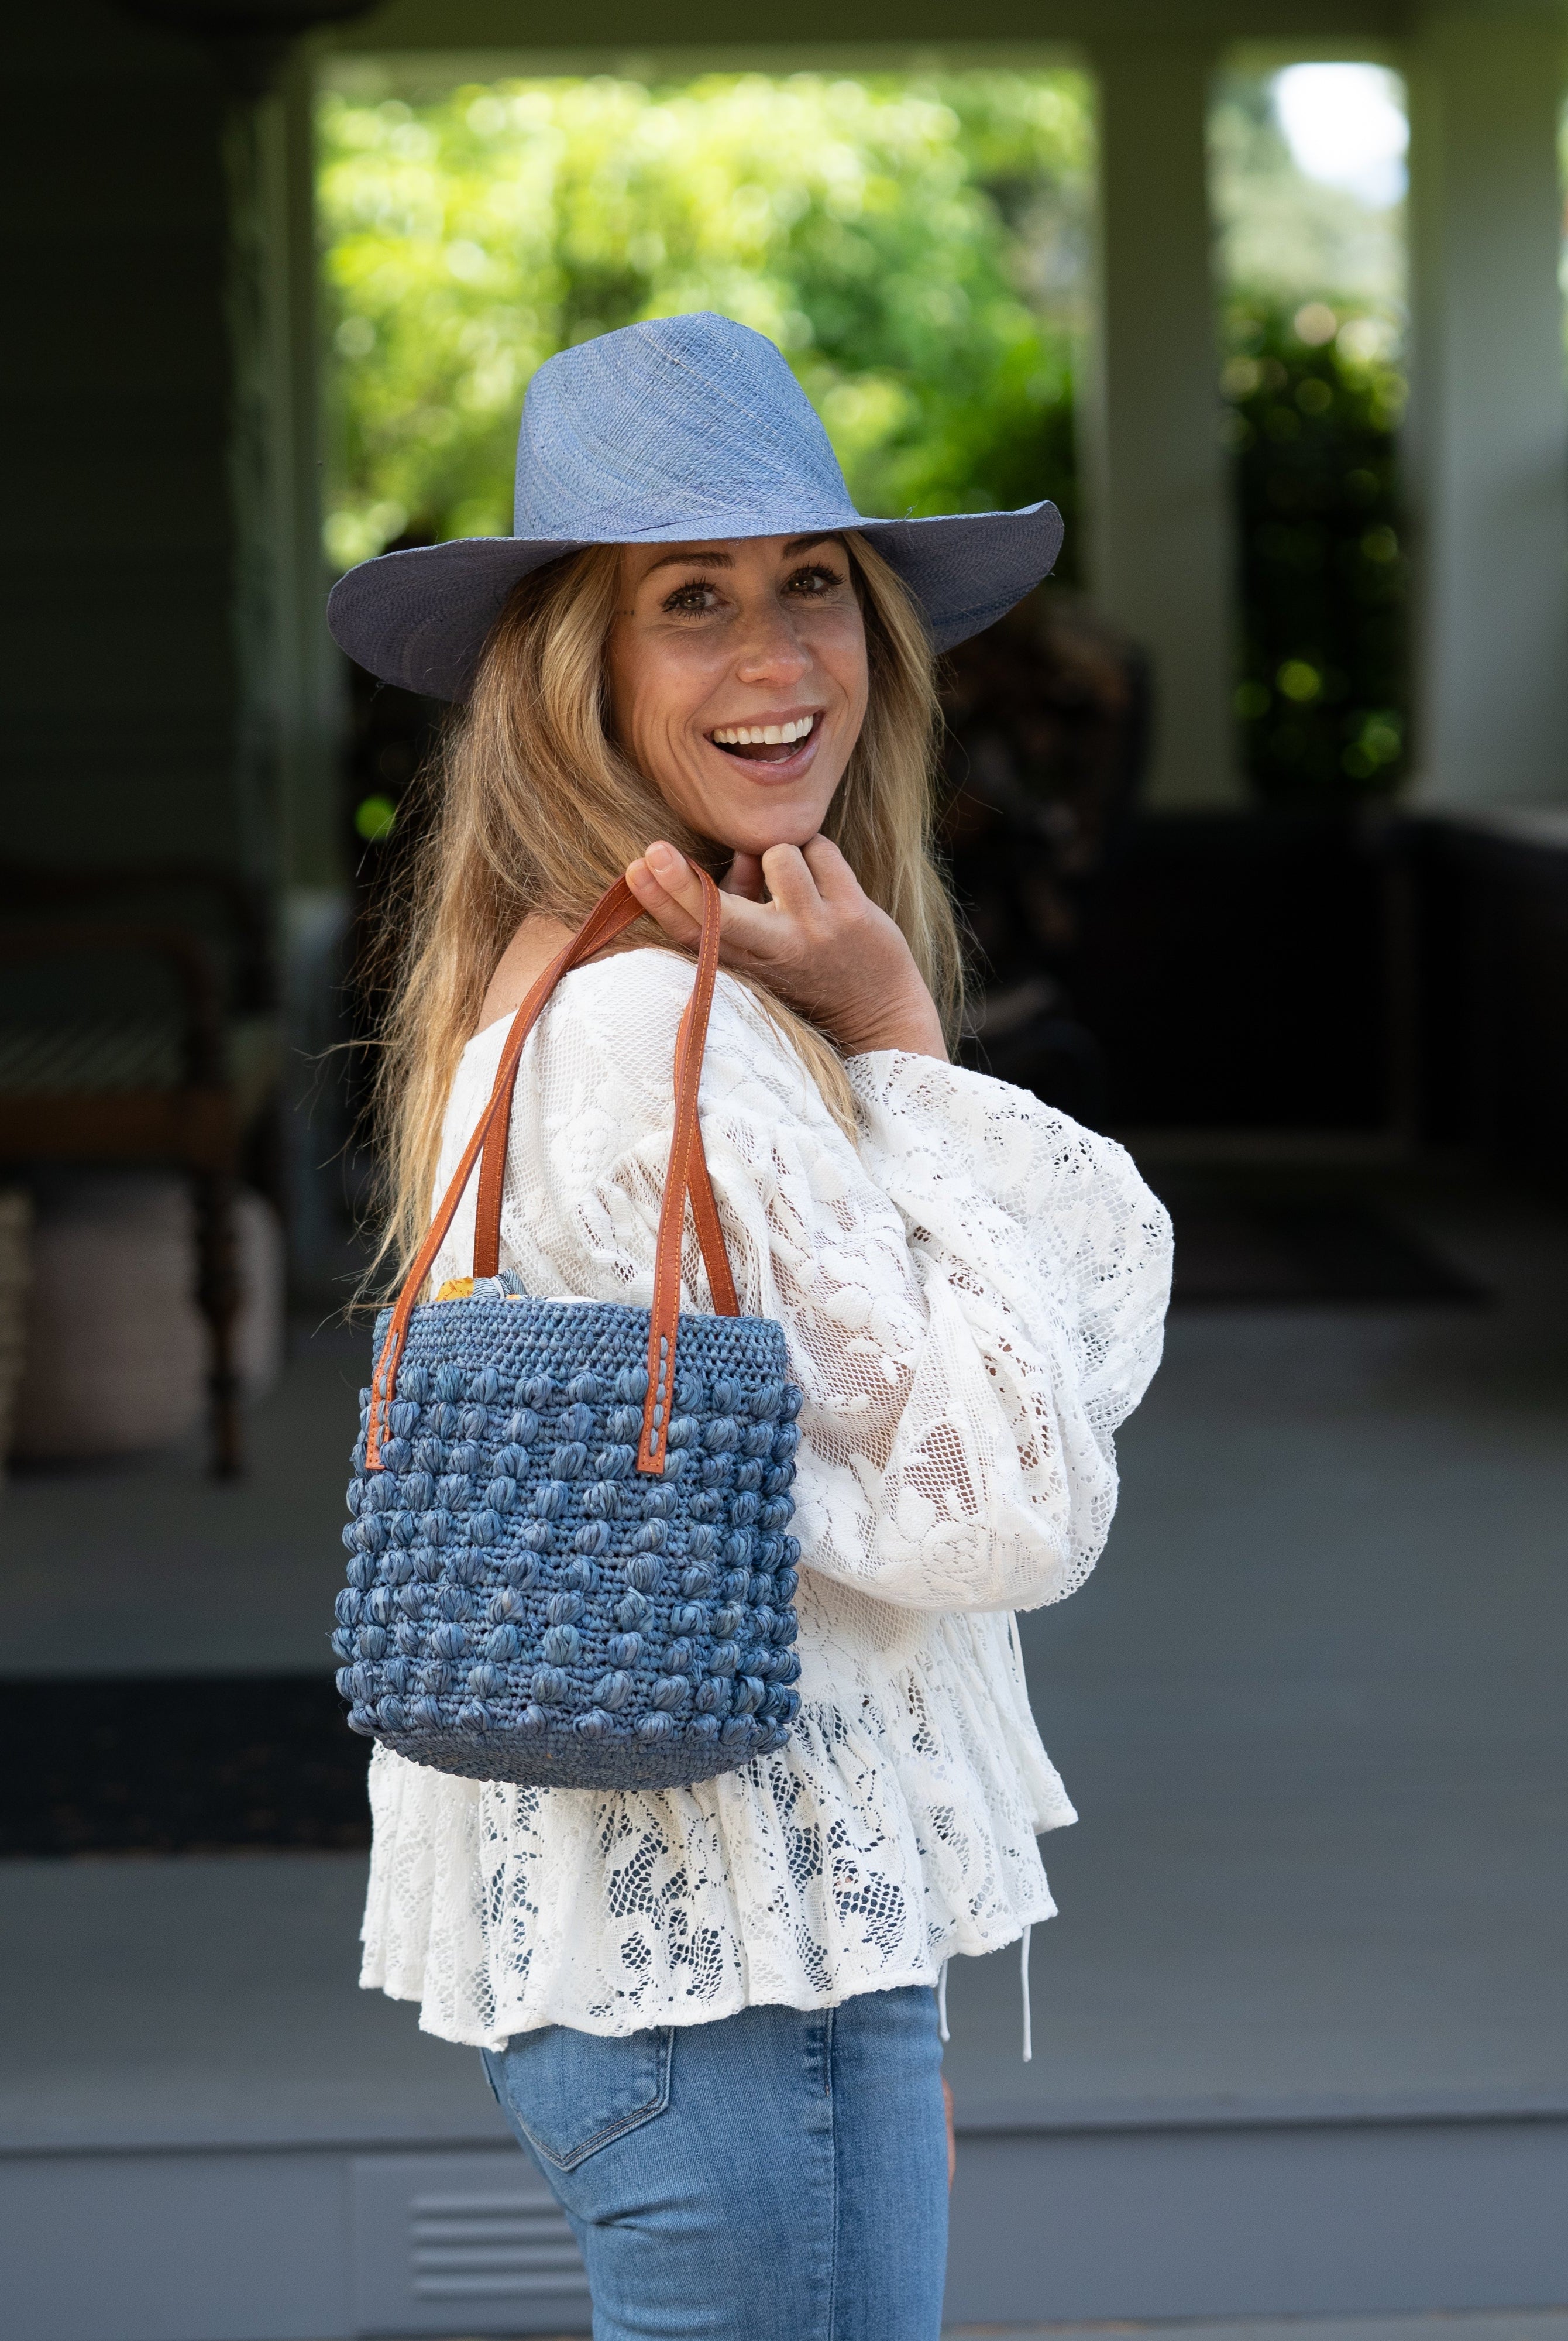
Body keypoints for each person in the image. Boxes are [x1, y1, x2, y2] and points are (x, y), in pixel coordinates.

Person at [328, 312, 1172, 2341]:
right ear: (579, 672)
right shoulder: (647, 1028)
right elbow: (999, 1508)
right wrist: (901, 1037)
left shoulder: (597, 973)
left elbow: (864, 1485)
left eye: (816, 588)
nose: (777, 659)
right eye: (689, 603)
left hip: (736, 1966)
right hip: (730, 1992)